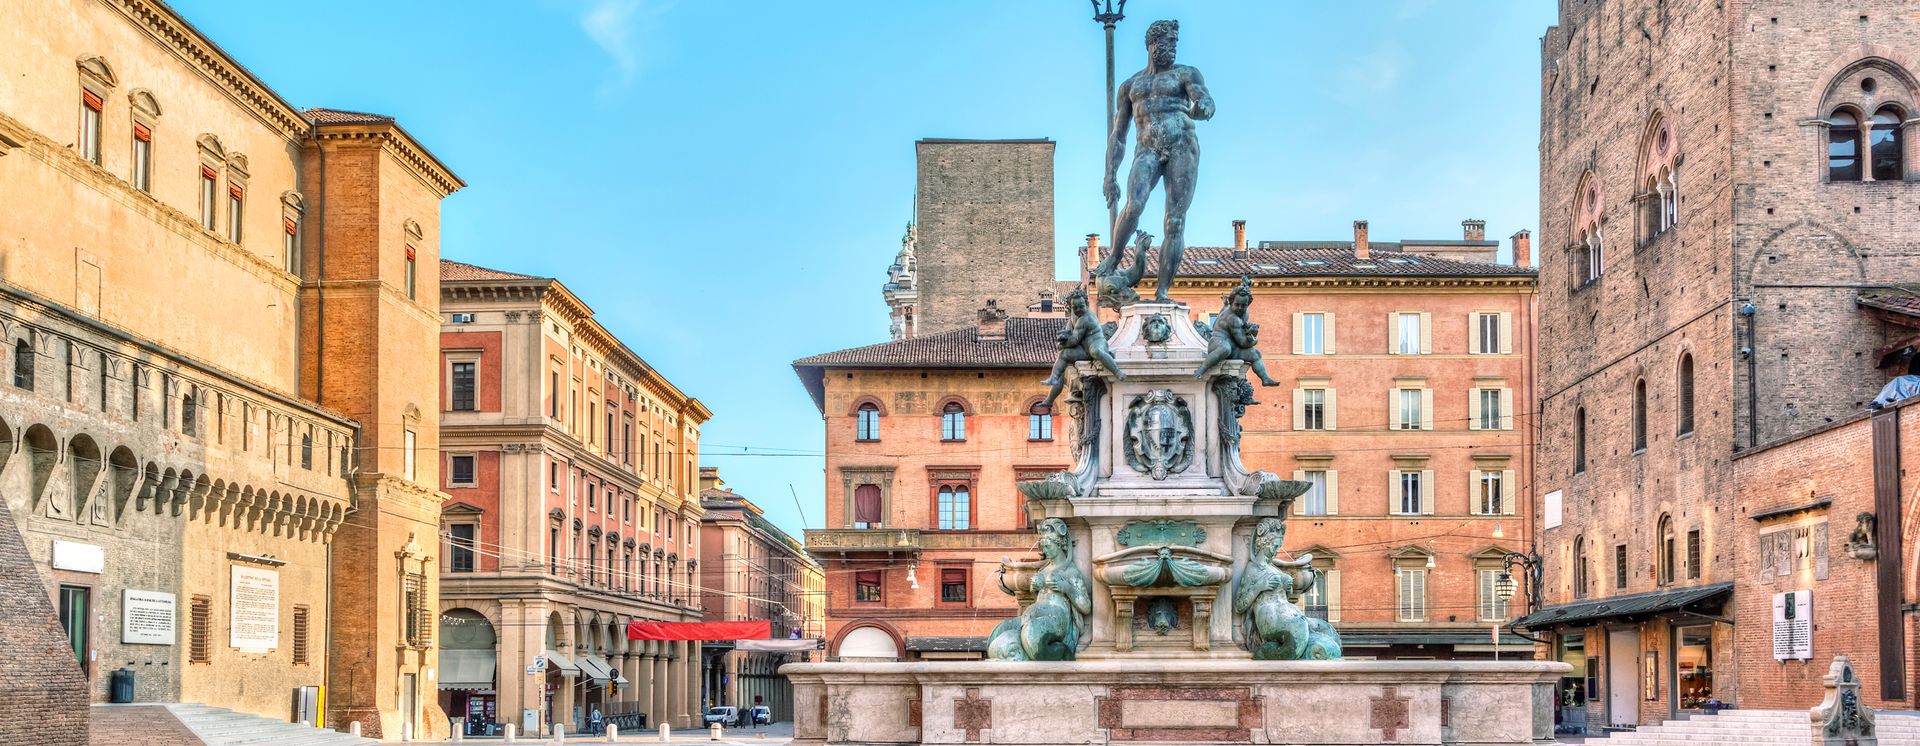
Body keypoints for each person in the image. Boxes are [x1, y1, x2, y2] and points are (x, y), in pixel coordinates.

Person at [1105, 19, 1215, 302]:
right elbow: (1119, 135)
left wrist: (1203, 108)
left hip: (1182, 146)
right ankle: (1113, 258)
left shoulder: (1186, 74)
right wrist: (1110, 175)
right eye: (1168, 42)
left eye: (1175, 42)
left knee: (1174, 221)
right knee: (1134, 205)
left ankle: (1162, 291)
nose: (1173, 48)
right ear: (1152, 44)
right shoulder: (1131, 86)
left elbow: (1205, 100)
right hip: (1147, 148)